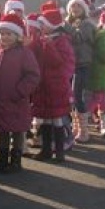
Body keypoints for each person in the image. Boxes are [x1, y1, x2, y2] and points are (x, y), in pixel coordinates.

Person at [0, 13, 40, 173]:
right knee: (3, 131)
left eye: (9, 34)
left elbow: (33, 76)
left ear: (17, 35)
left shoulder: (24, 53)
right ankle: (1, 160)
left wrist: (19, 92)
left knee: (17, 131)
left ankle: (15, 161)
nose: (4, 37)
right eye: (2, 33)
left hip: (16, 101)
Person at [30, 9, 76, 162]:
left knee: (56, 119)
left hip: (56, 87)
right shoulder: (45, 39)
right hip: (45, 86)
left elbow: (58, 62)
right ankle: (46, 150)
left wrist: (49, 46)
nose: (41, 27)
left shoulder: (62, 41)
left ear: (52, 25)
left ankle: (60, 152)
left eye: (43, 24)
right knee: (45, 120)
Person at [65, 0, 96, 141]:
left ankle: (84, 131)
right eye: (72, 6)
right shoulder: (69, 23)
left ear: (83, 8)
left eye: (78, 6)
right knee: (72, 97)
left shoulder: (87, 23)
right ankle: (76, 127)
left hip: (83, 64)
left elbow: (78, 38)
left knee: (78, 96)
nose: (75, 9)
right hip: (70, 64)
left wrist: (66, 27)